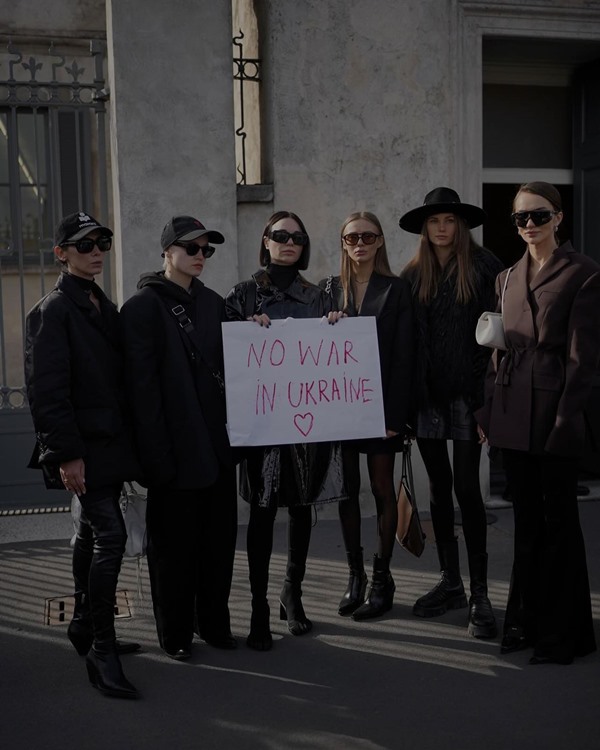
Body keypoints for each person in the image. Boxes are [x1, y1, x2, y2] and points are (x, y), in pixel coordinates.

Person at [476, 182, 600, 663]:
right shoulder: (506, 278)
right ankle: (523, 621)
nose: (529, 225)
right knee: (527, 525)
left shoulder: (584, 274)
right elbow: (496, 350)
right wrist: (488, 409)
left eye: (539, 216)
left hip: (554, 413)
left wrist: (566, 422)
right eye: (520, 218)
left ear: (559, 218)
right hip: (510, 409)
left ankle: (564, 634)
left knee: (558, 526)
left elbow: (582, 361)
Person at [24, 211, 141, 699]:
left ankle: (81, 623)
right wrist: (67, 456)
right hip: (82, 448)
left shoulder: (98, 301)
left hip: (109, 444)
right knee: (111, 535)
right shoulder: (53, 310)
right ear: (61, 253)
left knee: (93, 532)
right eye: (85, 244)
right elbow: (46, 392)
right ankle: (102, 648)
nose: (96, 251)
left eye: (103, 243)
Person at [225, 210, 347, 650]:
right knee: (260, 512)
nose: (289, 242)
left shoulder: (318, 297)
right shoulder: (242, 294)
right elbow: (226, 363)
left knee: (301, 508)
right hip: (262, 426)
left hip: (305, 425)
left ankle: (291, 591)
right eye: (280, 235)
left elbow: (332, 358)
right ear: (266, 241)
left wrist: (334, 327)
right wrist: (245, 331)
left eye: (298, 236)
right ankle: (258, 605)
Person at [120, 215, 238, 661]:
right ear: (167, 252)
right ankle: (176, 633)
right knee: (172, 550)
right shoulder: (141, 308)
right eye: (192, 249)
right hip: (171, 452)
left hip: (218, 449)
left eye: (207, 250)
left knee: (217, 544)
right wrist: (155, 457)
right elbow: (140, 392)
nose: (200, 257)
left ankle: (214, 623)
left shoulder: (214, 304)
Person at [399, 187, 503, 639]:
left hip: (467, 395)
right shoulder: (412, 274)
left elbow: (500, 340)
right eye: (434, 221)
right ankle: (451, 582)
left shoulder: (484, 268)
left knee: (467, 490)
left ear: (461, 225)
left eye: (450, 221)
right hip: (426, 396)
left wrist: (487, 404)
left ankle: (481, 594)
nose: (442, 228)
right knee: (438, 489)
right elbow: (401, 341)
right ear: (425, 228)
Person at [321, 211, 414, 620]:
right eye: (351, 237)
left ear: (379, 242)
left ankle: (382, 577)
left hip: (380, 409)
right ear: (343, 243)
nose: (359, 243)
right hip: (340, 407)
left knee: (380, 489)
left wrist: (395, 415)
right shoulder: (328, 290)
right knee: (346, 491)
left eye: (368, 236)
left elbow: (405, 357)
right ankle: (354, 576)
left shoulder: (396, 289)